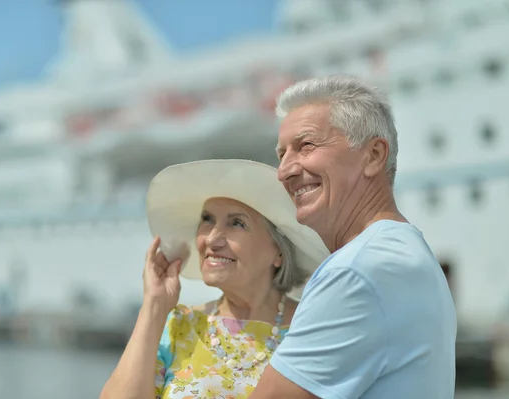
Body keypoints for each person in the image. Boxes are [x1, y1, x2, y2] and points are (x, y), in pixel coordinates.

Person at [247, 74, 458, 399]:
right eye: (281, 154)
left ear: (373, 156)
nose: (284, 171)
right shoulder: (406, 252)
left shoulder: (356, 271)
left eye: (306, 146)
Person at [99, 159, 330, 399]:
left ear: (279, 251)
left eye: (236, 223)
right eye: (207, 220)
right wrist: (154, 306)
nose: (211, 239)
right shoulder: (177, 326)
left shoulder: (310, 331)